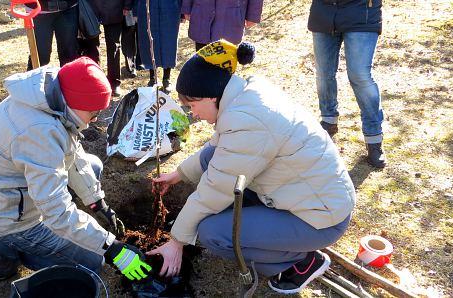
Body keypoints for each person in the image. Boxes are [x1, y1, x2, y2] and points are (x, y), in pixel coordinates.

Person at [149, 40, 355, 294]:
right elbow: (216, 151)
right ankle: (287, 244)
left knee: (213, 232)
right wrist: (178, 175)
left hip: (320, 216)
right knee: (223, 203)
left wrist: (177, 241)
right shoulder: (244, 98)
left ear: (211, 95)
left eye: (192, 106)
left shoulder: (248, 122)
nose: (193, 114)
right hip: (311, 197)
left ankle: (300, 262)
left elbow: (216, 188)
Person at [0, 57, 151, 281]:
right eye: (92, 112)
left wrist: (97, 201)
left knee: (92, 166)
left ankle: (5, 242)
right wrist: (112, 248)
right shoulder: (39, 131)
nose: (94, 119)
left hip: (13, 193)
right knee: (93, 262)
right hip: (8, 218)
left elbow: (72, 154)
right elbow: (56, 211)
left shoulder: (51, 99)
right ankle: (0, 248)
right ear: (74, 104)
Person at [308, 0, 386, 168]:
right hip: (324, 12)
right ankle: (328, 121)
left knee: (360, 75)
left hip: (362, 12)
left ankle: (374, 137)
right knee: (324, 73)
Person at [136, 0, 182, 92]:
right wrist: (134, 9)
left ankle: (166, 79)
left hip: (170, 8)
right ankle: (152, 78)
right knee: (149, 41)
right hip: (147, 8)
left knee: (169, 42)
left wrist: (183, 11)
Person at [181, 0, 264, 51]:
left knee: (225, 67)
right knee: (202, 63)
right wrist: (186, 7)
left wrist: (253, 15)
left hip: (231, 18)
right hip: (202, 14)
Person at [27, 0, 80, 69]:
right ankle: (35, 79)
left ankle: (68, 79)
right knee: (41, 56)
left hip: (69, 8)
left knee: (69, 55)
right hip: (38, 10)